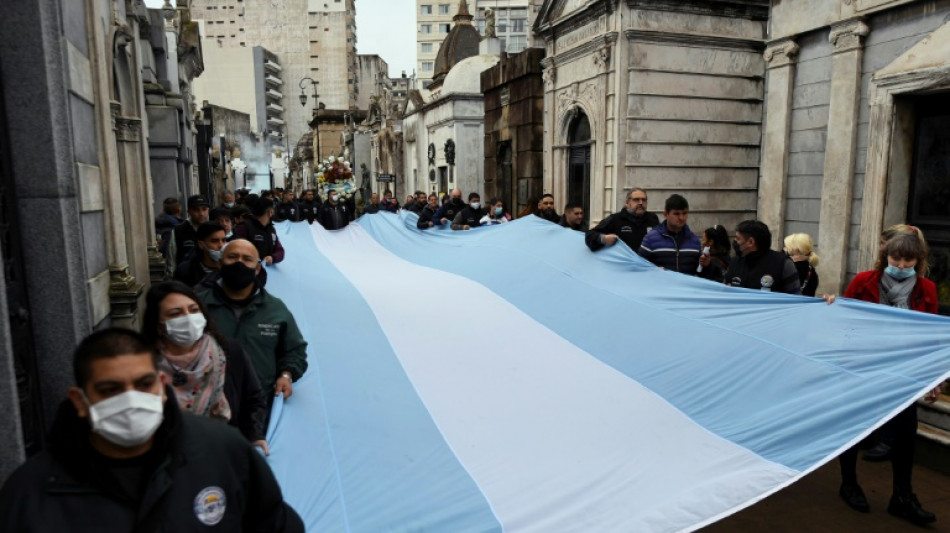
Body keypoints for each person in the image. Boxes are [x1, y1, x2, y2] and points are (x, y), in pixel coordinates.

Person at [0, 328, 304, 532]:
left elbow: (275, 523)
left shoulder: (222, 450)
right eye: (110, 389)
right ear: (80, 400)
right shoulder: (30, 494)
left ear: (161, 385)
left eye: (143, 384)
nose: (131, 399)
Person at [828, 232, 939, 526]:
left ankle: (902, 497)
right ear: (884, 257)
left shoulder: (926, 288)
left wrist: (933, 379)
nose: (901, 265)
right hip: (862, 367)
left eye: (908, 259)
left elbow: (930, 339)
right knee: (853, 428)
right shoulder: (863, 281)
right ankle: (848, 484)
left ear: (918, 260)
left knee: (905, 437)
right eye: (895, 258)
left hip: (903, 372)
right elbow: (844, 322)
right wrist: (832, 304)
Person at [143, 282, 268, 451]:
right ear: (159, 326)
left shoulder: (227, 351)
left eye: (194, 310)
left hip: (219, 450)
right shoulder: (142, 364)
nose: (188, 318)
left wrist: (254, 436)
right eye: (176, 314)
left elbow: (253, 399)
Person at [200, 239, 308, 411]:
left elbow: (294, 350)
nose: (239, 263)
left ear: (257, 269)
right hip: (207, 406)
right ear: (220, 264)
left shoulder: (275, 309)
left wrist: (286, 375)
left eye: (247, 259)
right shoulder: (198, 306)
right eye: (233, 257)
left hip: (258, 408)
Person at [723, 220, 801, 294]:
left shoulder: (783, 264)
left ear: (750, 242)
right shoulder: (735, 262)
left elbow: (795, 298)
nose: (735, 242)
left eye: (738, 238)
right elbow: (724, 291)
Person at [638, 194, 706, 275]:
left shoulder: (694, 240)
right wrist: (653, 271)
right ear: (666, 214)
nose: (681, 218)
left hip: (686, 287)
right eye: (676, 214)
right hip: (661, 286)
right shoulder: (651, 239)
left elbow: (702, 273)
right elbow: (640, 267)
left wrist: (707, 264)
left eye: (684, 213)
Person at [232, 195, 284, 288]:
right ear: (270, 212)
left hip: (268, 280)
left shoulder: (271, 229)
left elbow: (280, 251)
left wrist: (272, 258)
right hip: (248, 280)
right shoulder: (244, 228)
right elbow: (237, 252)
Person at [586, 188, 659, 253]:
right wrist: (603, 238)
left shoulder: (652, 219)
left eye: (644, 200)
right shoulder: (615, 219)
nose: (641, 203)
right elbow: (590, 235)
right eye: (636, 200)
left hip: (647, 265)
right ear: (627, 203)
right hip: (624, 266)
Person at [174, 222, 226, 292]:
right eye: (214, 241)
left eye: (223, 240)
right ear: (201, 244)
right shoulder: (186, 270)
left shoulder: (231, 268)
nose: (221, 245)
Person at [166, 194, 211, 276]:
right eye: (196, 210)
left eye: (204, 209)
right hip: (186, 280)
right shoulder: (178, 231)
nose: (201, 213)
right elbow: (171, 260)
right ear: (189, 211)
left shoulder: (214, 229)